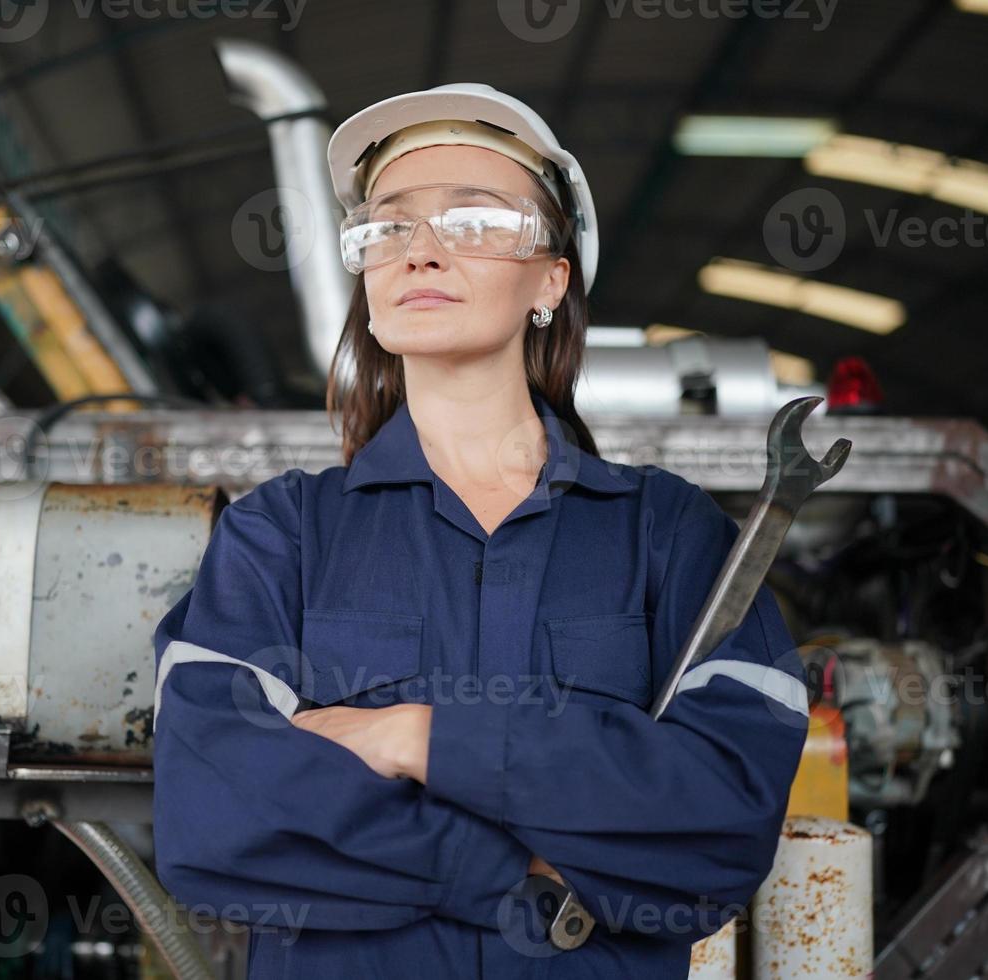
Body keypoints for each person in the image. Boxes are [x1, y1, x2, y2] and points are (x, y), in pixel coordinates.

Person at [151, 82, 810, 979]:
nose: (420, 251)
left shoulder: (671, 538)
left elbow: (719, 827)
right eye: (390, 227)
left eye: (474, 222)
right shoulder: (280, 538)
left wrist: (414, 737)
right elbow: (216, 818)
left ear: (550, 279)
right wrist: (518, 875)